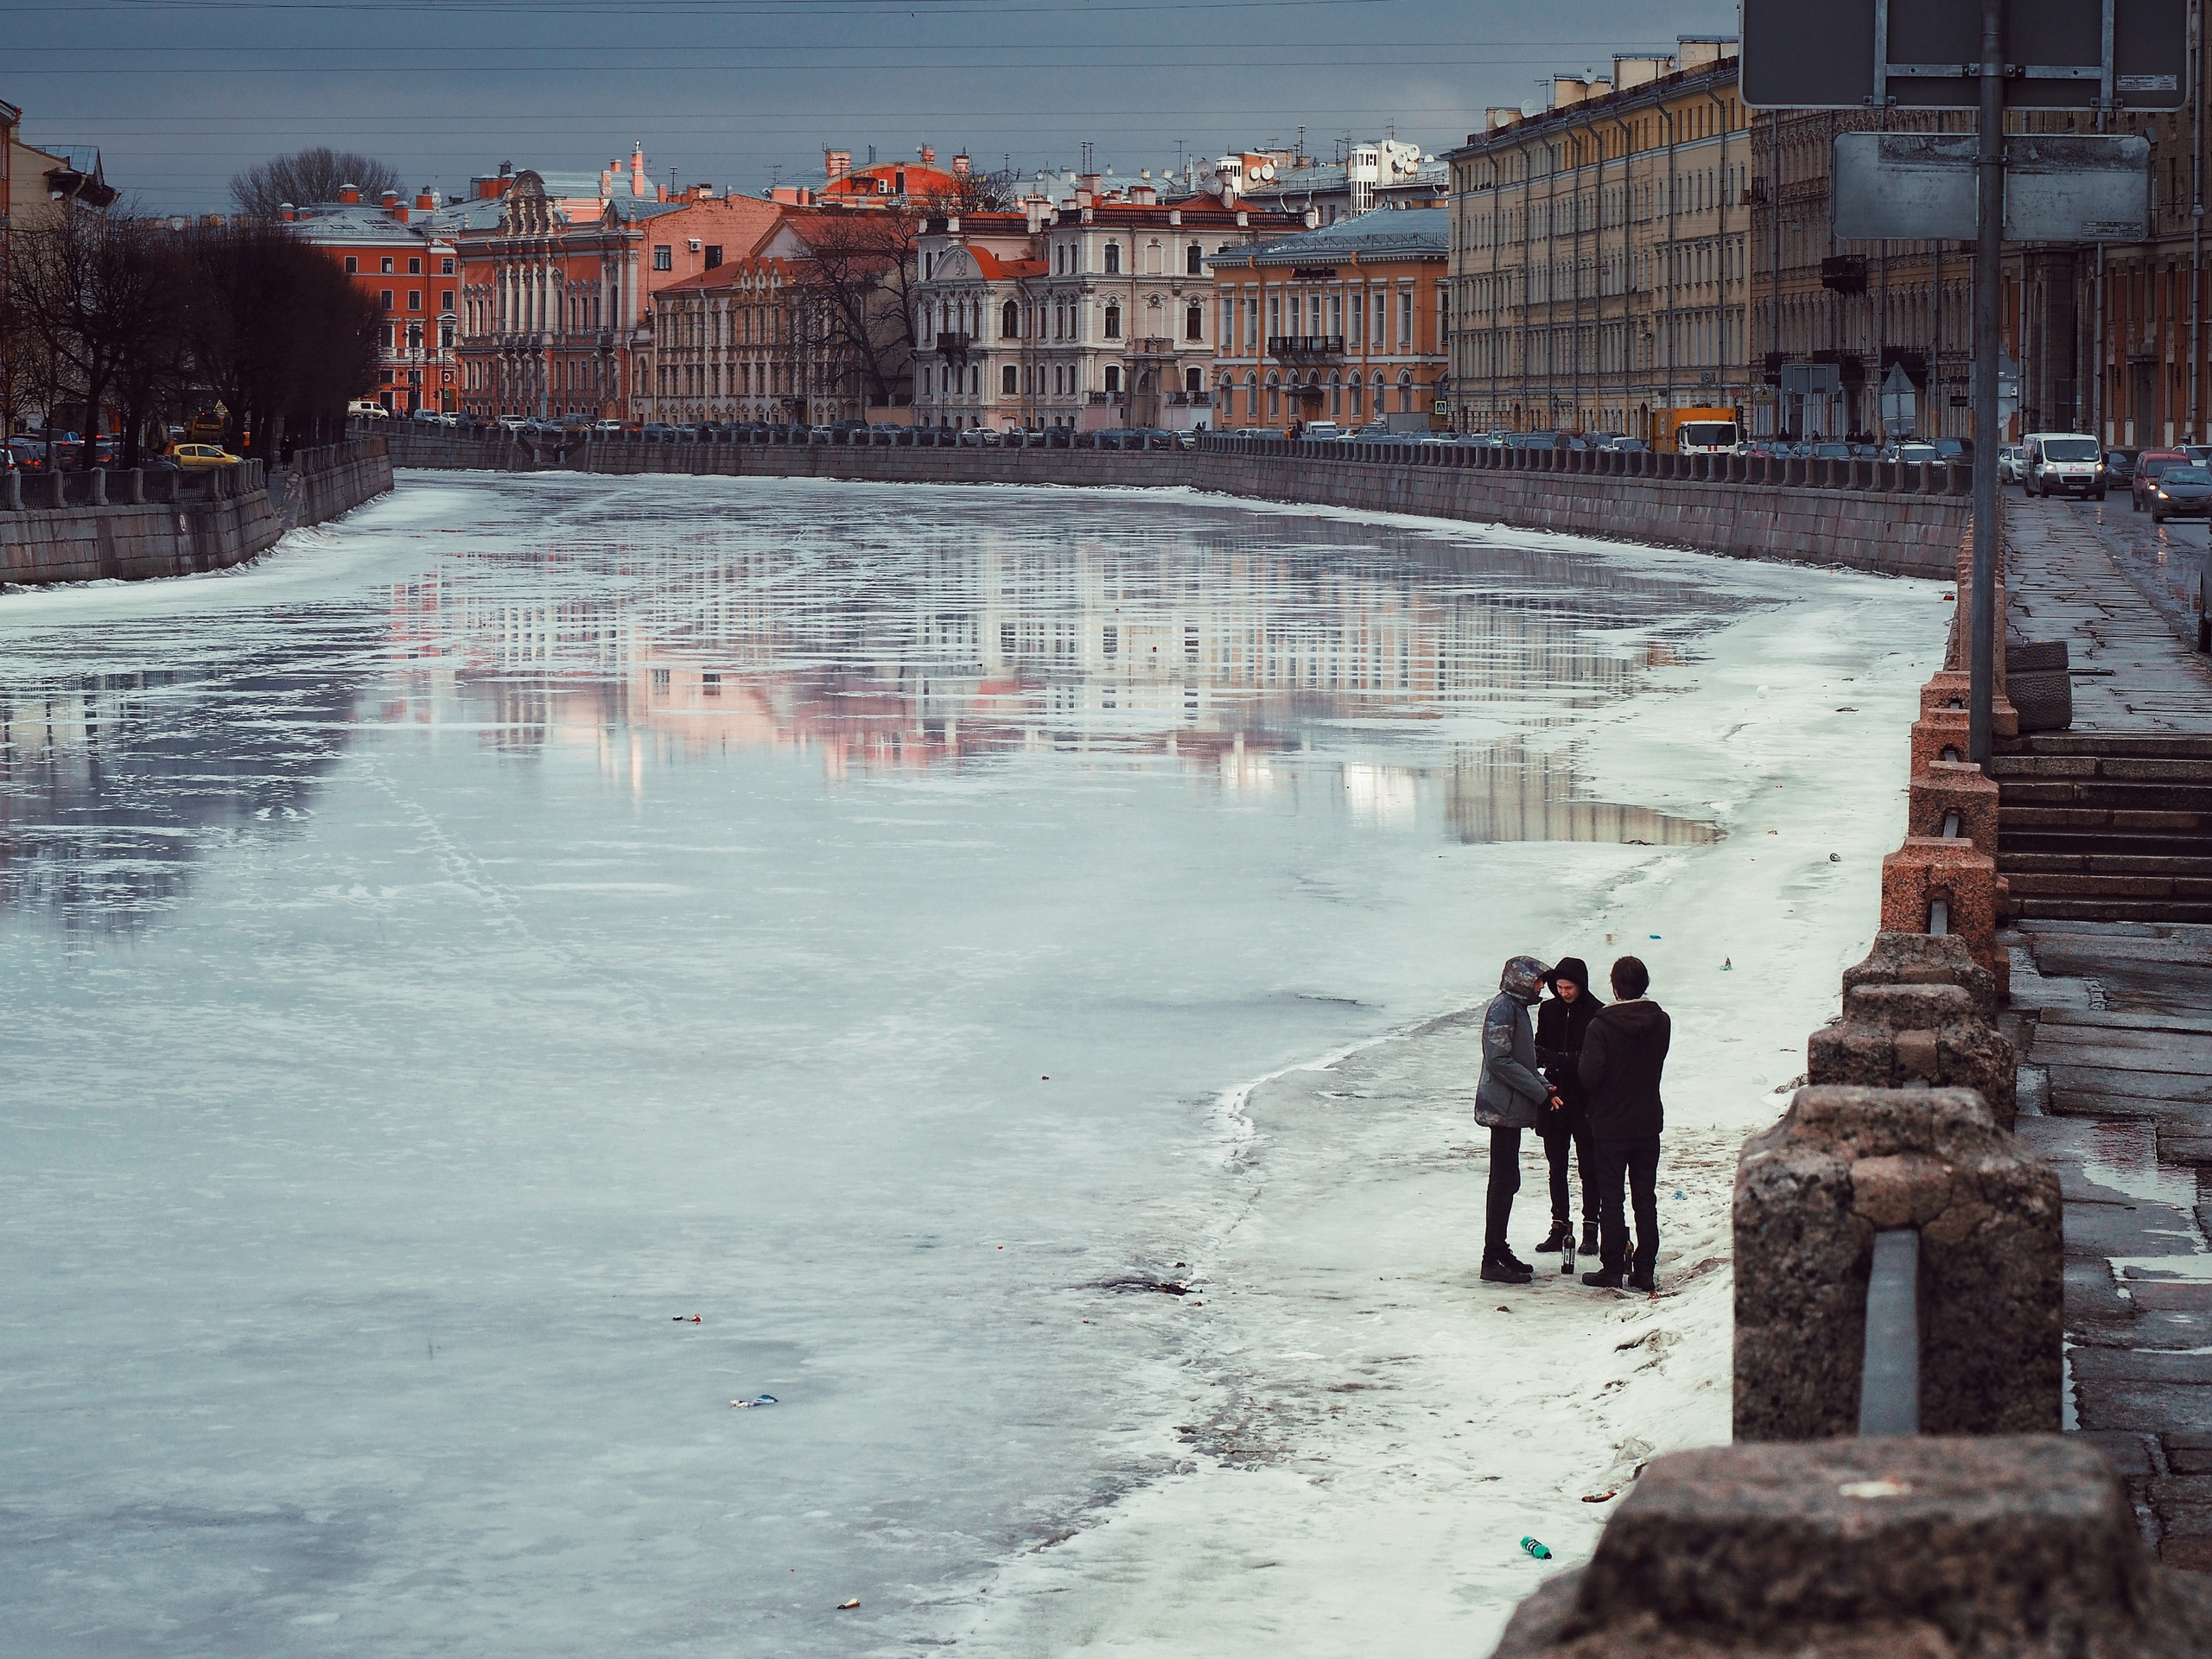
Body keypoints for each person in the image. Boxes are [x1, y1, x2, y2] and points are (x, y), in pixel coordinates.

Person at [1579, 956, 1671, 1293]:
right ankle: (1644, 1269)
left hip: (1610, 1124)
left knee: (1612, 1197)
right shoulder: (1661, 1021)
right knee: (1645, 1196)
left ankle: (1613, 1266)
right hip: (1647, 1120)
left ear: (1615, 987)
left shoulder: (1600, 1026)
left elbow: (1589, 1077)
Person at [1474, 954, 1560, 1285]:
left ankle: (1499, 1249)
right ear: (1522, 981)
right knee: (1503, 1181)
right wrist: (1540, 1092)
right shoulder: (1503, 1008)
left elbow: (1521, 1060)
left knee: (1508, 1179)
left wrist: (1542, 1085)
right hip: (1502, 1108)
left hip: (1510, 1106)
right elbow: (1500, 1061)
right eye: (1538, 981)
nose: (1542, 987)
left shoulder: (1517, 1008)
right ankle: (1491, 1257)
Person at [1533, 958, 1604, 1260]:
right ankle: (1559, 1226)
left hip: (1585, 1098)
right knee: (1556, 1165)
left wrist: (1559, 1058)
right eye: (1559, 987)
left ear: (1581, 985)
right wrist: (1554, 1064)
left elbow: (1591, 1059)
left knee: (1589, 1166)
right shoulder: (1548, 1010)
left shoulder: (1597, 1013)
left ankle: (1590, 1228)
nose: (1564, 993)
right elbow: (1537, 1051)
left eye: (1569, 987)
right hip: (1555, 1096)